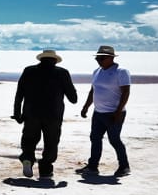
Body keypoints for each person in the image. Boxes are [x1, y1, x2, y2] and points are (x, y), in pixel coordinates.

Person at [12, 50, 78, 180]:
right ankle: (46, 170)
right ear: (54, 61)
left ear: (41, 60)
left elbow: (19, 94)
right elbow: (73, 99)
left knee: (29, 139)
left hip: (31, 113)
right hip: (53, 115)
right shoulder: (62, 73)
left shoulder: (29, 71)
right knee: (51, 142)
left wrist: (17, 113)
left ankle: (27, 159)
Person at [78, 45, 131, 177]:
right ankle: (93, 166)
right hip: (98, 112)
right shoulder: (97, 71)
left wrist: (118, 111)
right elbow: (93, 90)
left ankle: (124, 166)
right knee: (95, 138)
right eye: (97, 58)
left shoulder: (121, 71)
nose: (98, 60)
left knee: (114, 140)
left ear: (110, 58)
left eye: (101, 58)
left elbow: (126, 92)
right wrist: (86, 106)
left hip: (113, 113)